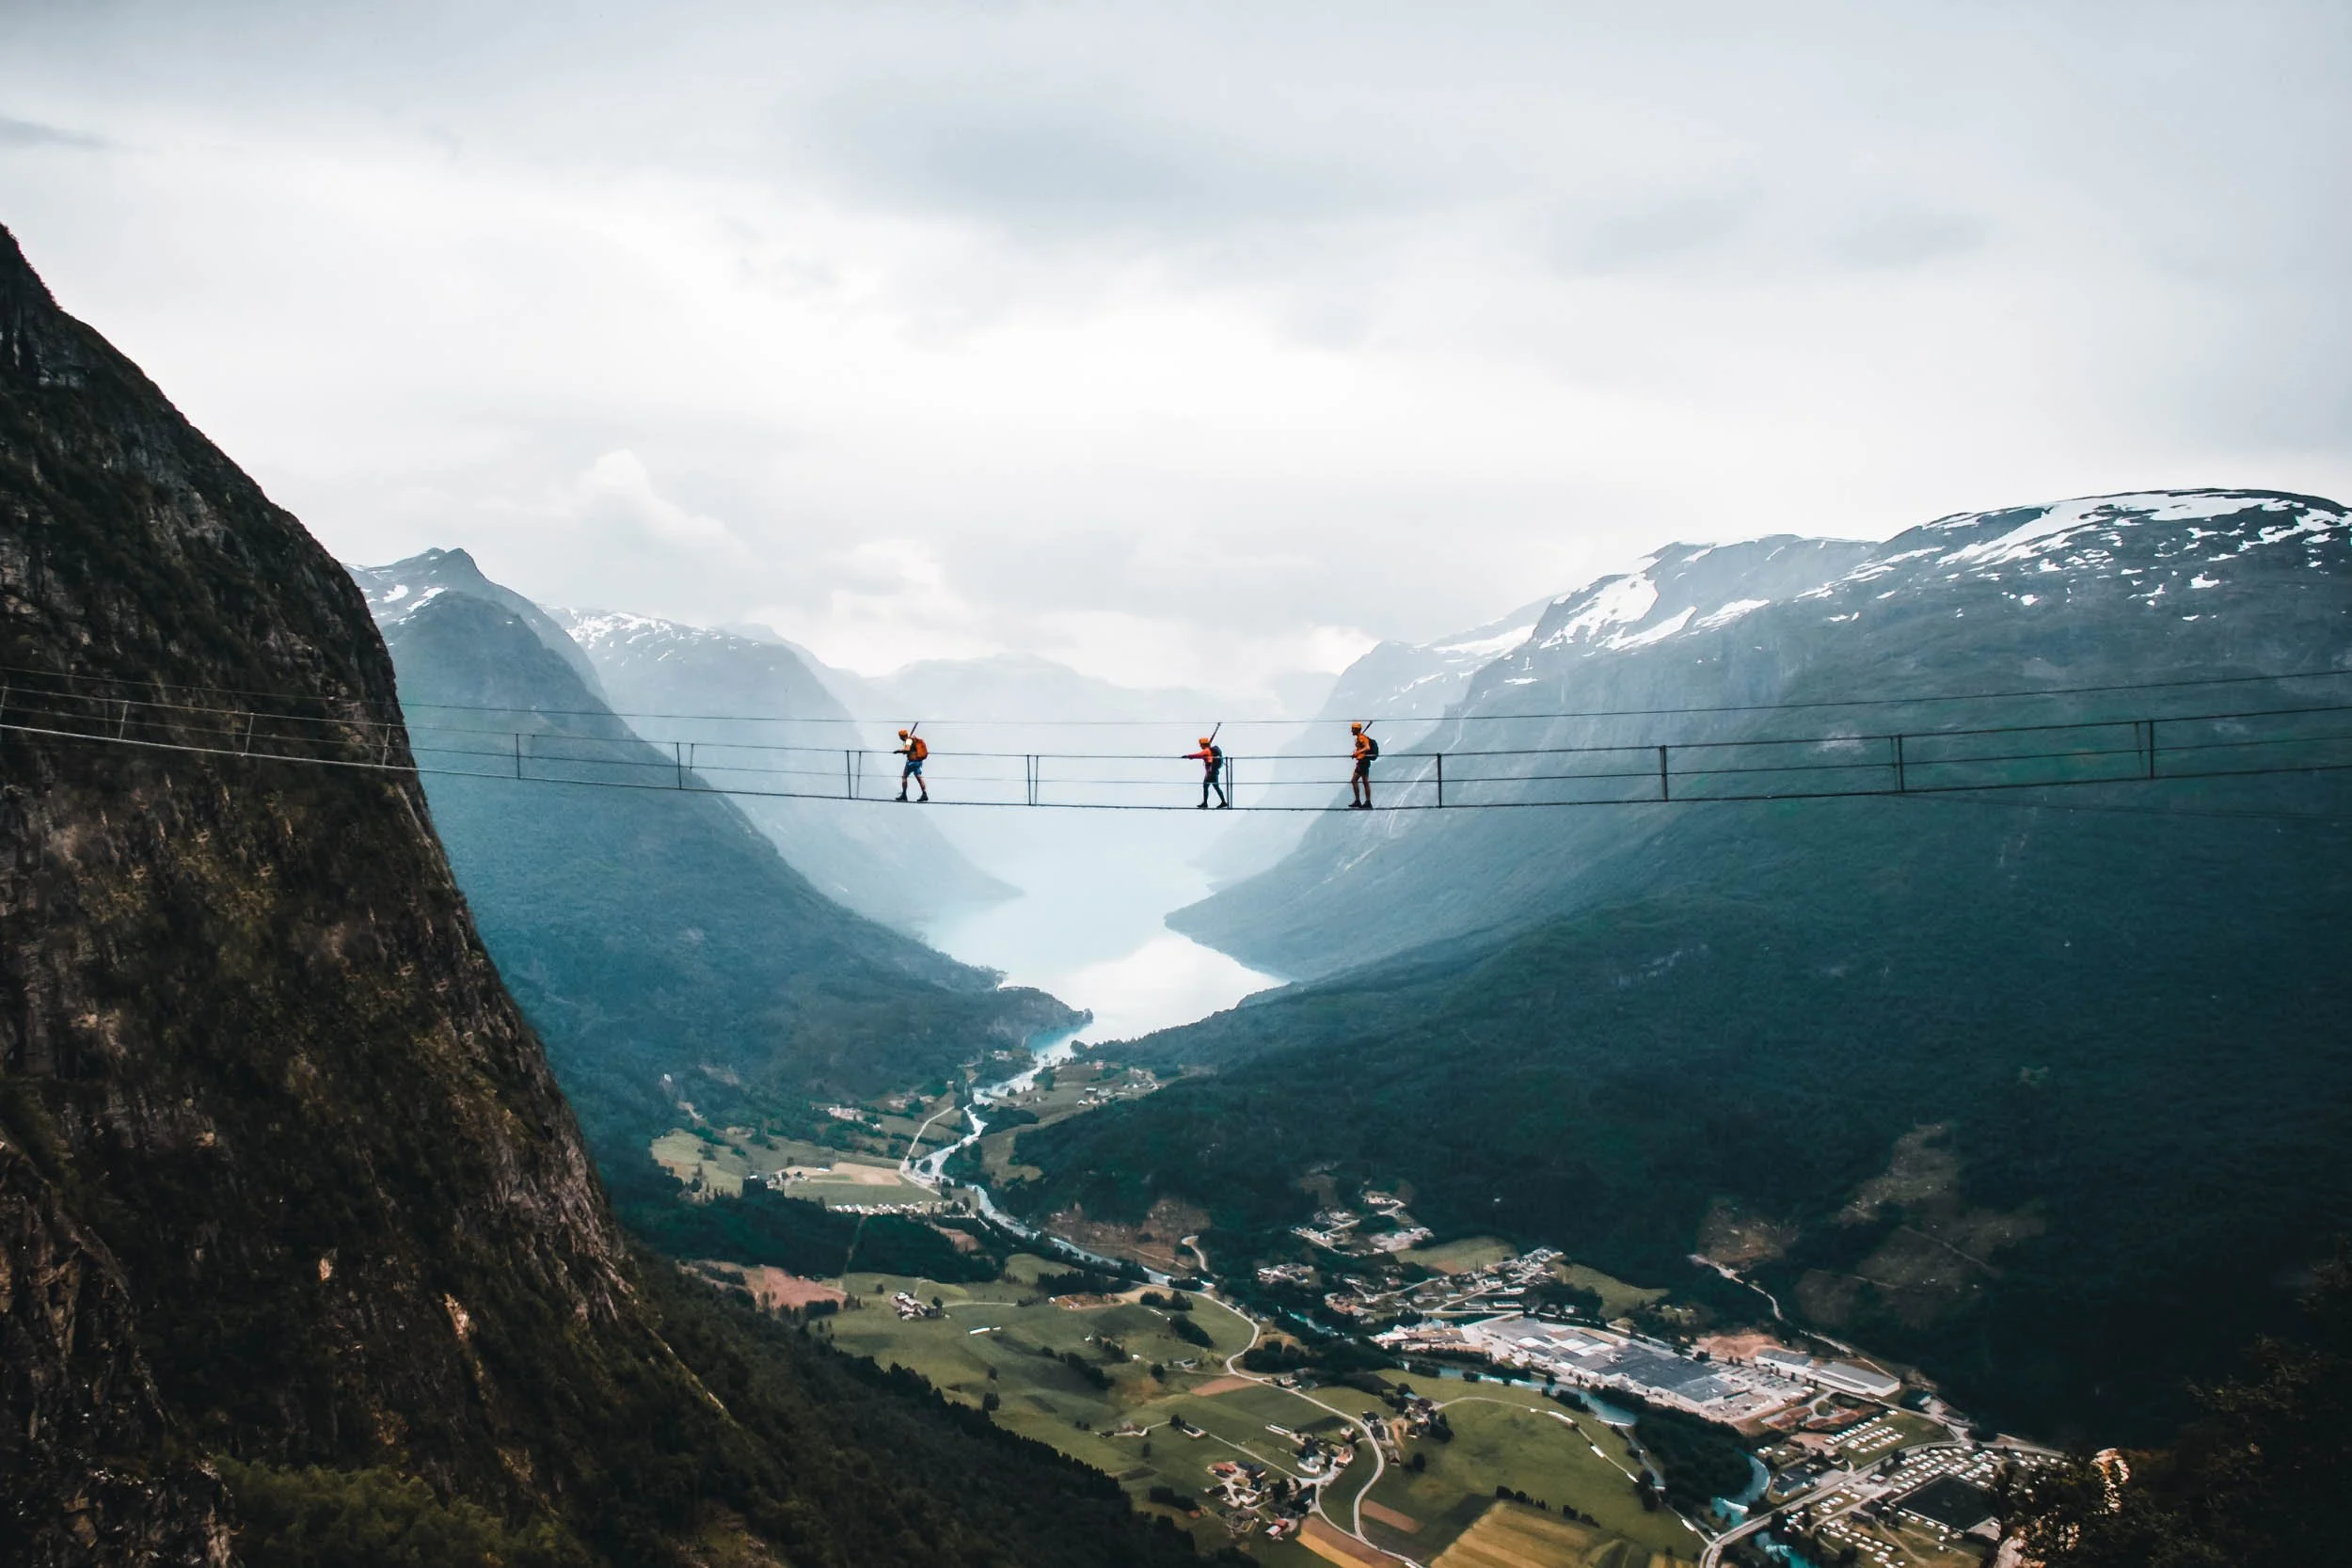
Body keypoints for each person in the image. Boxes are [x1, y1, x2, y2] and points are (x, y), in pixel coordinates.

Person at [1184, 736, 1229, 809]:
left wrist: (1188, 756)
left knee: (1206, 787)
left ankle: (1206, 803)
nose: (1200, 746)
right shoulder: (1209, 750)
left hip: (1210, 772)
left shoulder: (1206, 751)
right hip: (1214, 771)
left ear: (1204, 744)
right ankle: (1223, 802)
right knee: (1215, 787)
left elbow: (1198, 755)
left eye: (1201, 745)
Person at [895, 728, 930, 802]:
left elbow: (907, 749)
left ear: (902, 736)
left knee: (904, 776)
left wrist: (898, 751)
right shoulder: (912, 739)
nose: (900, 738)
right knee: (918, 777)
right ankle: (924, 794)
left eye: (900, 737)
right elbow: (910, 750)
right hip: (918, 761)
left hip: (912, 762)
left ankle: (904, 794)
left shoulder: (908, 740)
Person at [1349, 721, 1378, 809]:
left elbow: (1367, 747)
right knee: (1364, 782)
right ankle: (1365, 802)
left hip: (1363, 762)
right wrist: (1357, 753)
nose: (1351, 731)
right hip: (1362, 762)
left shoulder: (1362, 738)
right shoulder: (1360, 737)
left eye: (1353, 729)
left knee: (1356, 781)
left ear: (1356, 729)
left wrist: (1357, 753)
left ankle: (1361, 801)